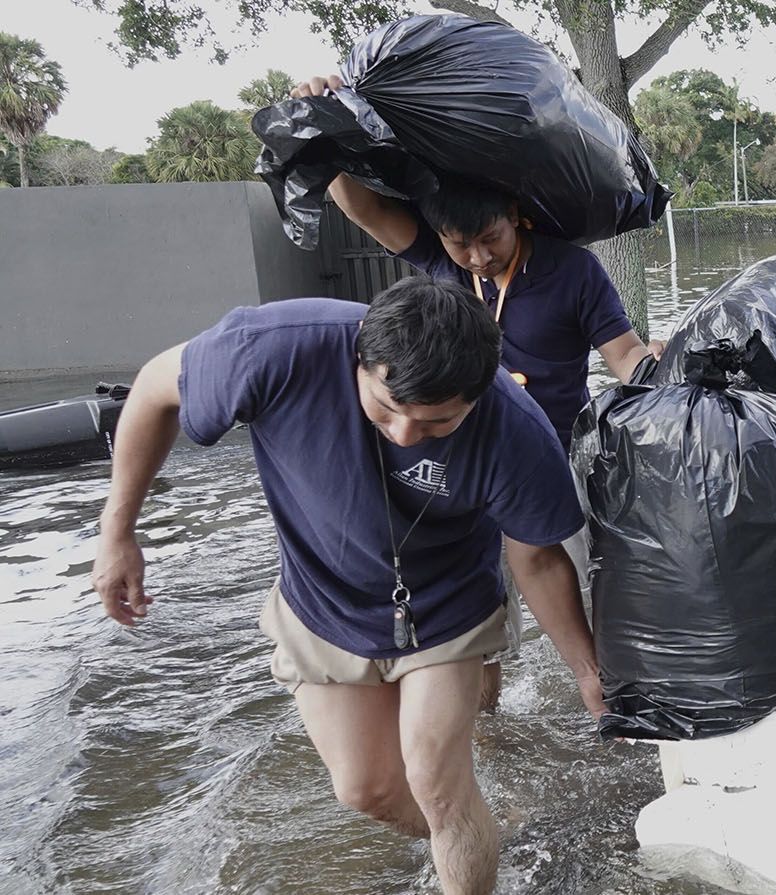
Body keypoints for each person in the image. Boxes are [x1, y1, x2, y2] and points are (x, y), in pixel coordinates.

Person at [90, 280, 603, 893]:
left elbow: (538, 559)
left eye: (439, 422)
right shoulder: (273, 351)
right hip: (321, 602)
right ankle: (489, 828)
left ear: (479, 394)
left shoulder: (515, 430)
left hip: (446, 608)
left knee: (439, 784)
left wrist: (586, 672)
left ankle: (461, 827)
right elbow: (152, 388)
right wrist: (117, 530)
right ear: (360, 358)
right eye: (387, 409)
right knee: (368, 791)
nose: (406, 436)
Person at [293, 75, 658, 441]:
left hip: (556, 446)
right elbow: (367, 211)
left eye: (491, 238)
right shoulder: (440, 260)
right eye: (460, 244)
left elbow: (624, 353)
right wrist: (326, 127)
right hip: (472, 450)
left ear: (513, 216)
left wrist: (655, 371)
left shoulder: (574, 271)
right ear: (439, 236)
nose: (479, 257)